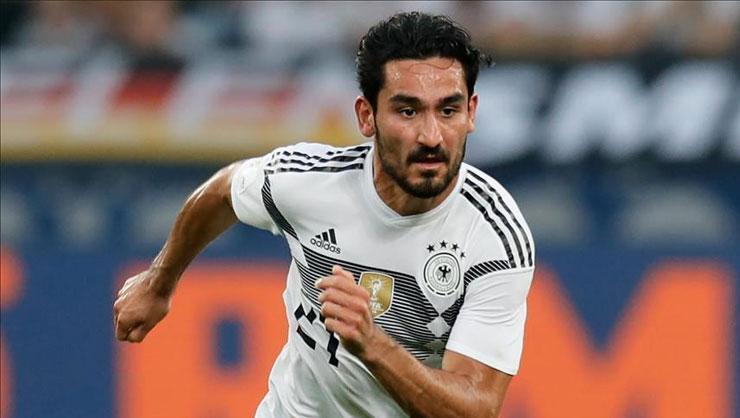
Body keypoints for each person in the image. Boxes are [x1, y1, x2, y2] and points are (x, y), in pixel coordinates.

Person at [113, 11, 535, 418]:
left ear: (471, 113)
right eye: (408, 111)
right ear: (367, 116)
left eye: (448, 110)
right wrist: (158, 282)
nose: (431, 136)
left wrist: (372, 343)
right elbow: (224, 190)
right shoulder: (309, 182)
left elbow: (475, 409)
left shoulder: (493, 237)